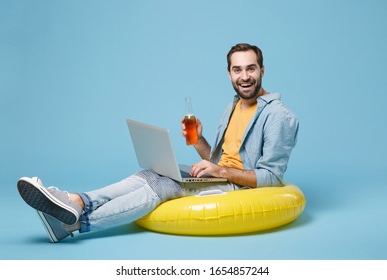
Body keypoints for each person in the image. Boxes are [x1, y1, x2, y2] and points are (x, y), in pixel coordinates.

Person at [17, 43, 299, 242]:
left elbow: (271, 177)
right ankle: (76, 201)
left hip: (235, 185)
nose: (244, 77)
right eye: (237, 70)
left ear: (262, 69)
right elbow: (218, 161)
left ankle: (75, 222)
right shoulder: (234, 105)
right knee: (151, 172)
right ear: (229, 74)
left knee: (163, 185)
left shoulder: (279, 116)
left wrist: (221, 172)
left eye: (251, 69)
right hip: (221, 176)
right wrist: (199, 140)